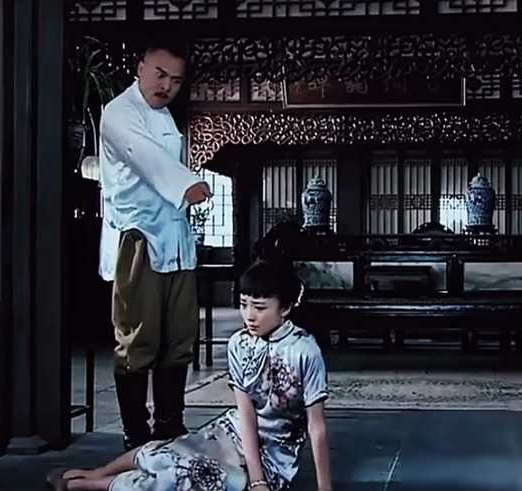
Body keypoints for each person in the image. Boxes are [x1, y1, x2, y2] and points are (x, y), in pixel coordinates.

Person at [47, 260, 333, 491]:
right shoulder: (239, 343)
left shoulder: (304, 351)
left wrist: (323, 488)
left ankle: (87, 485)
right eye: (243, 304)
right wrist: (257, 482)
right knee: (174, 450)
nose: (249, 316)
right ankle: (98, 473)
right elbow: (245, 414)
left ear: (285, 308)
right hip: (233, 433)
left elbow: (316, 427)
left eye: (259, 308)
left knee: (196, 478)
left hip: (274, 453)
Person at [98, 38, 212, 451]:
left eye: (176, 81)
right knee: (139, 339)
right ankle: (136, 433)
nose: (167, 86)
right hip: (139, 236)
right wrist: (186, 184)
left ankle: (170, 426)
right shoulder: (119, 113)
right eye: (160, 75)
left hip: (174, 236)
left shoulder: (164, 117)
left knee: (179, 337)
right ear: (140, 67)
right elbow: (145, 157)